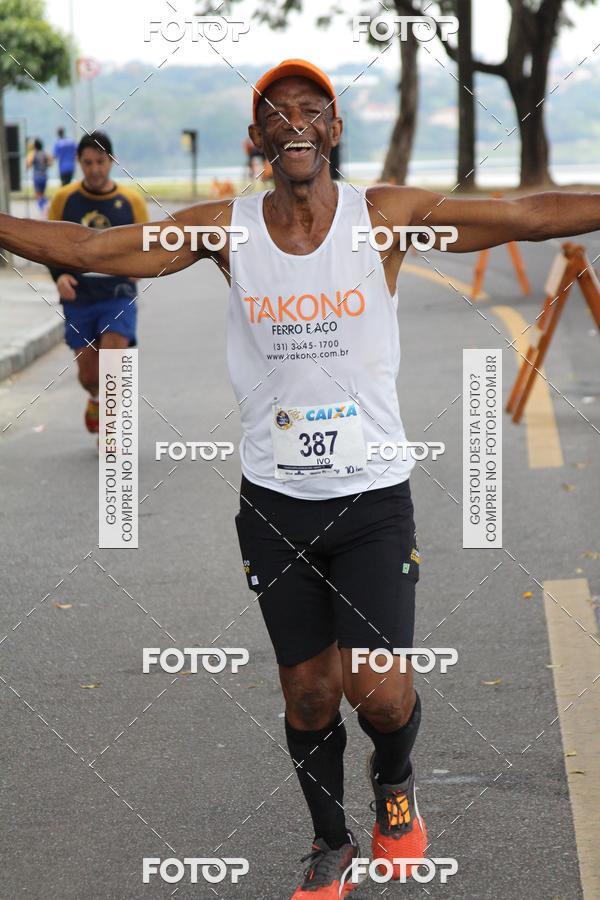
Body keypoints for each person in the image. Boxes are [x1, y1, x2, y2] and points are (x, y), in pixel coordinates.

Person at [3, 58, 600, 898]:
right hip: (275, 505)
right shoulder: (224, 229)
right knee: (313, 697)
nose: (294, 122)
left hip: (372, 499)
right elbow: (96, 247)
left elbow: (517, 214)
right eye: (276, 112)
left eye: (310, 109)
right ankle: (330, 843)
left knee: (382, 696)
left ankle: (395, 782)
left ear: (332, 130)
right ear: (258, 139)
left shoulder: (382, 218)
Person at [46, 130, 148, 437]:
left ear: (112, 161)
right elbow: (49, 244)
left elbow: (145, 243)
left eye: (100, 162)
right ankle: (94, 397)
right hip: (79, 296)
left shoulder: (130, 201)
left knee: (113, 364)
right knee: (90, 374)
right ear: (78, 162)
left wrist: (140, 267)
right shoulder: (64, 200)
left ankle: (113, 432)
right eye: (88, 162)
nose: (94, 169)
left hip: (117, 295)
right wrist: (59, 276)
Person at [26, 138, 53, 213]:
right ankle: (46, 206)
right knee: (42, 194)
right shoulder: (45, 153)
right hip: (44, 176)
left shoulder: (33, 154)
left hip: (37, 176)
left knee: (38, 194)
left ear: (35, 146)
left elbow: (28, 165)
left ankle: (43, 208)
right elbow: (51, 163)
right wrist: (45, 165)